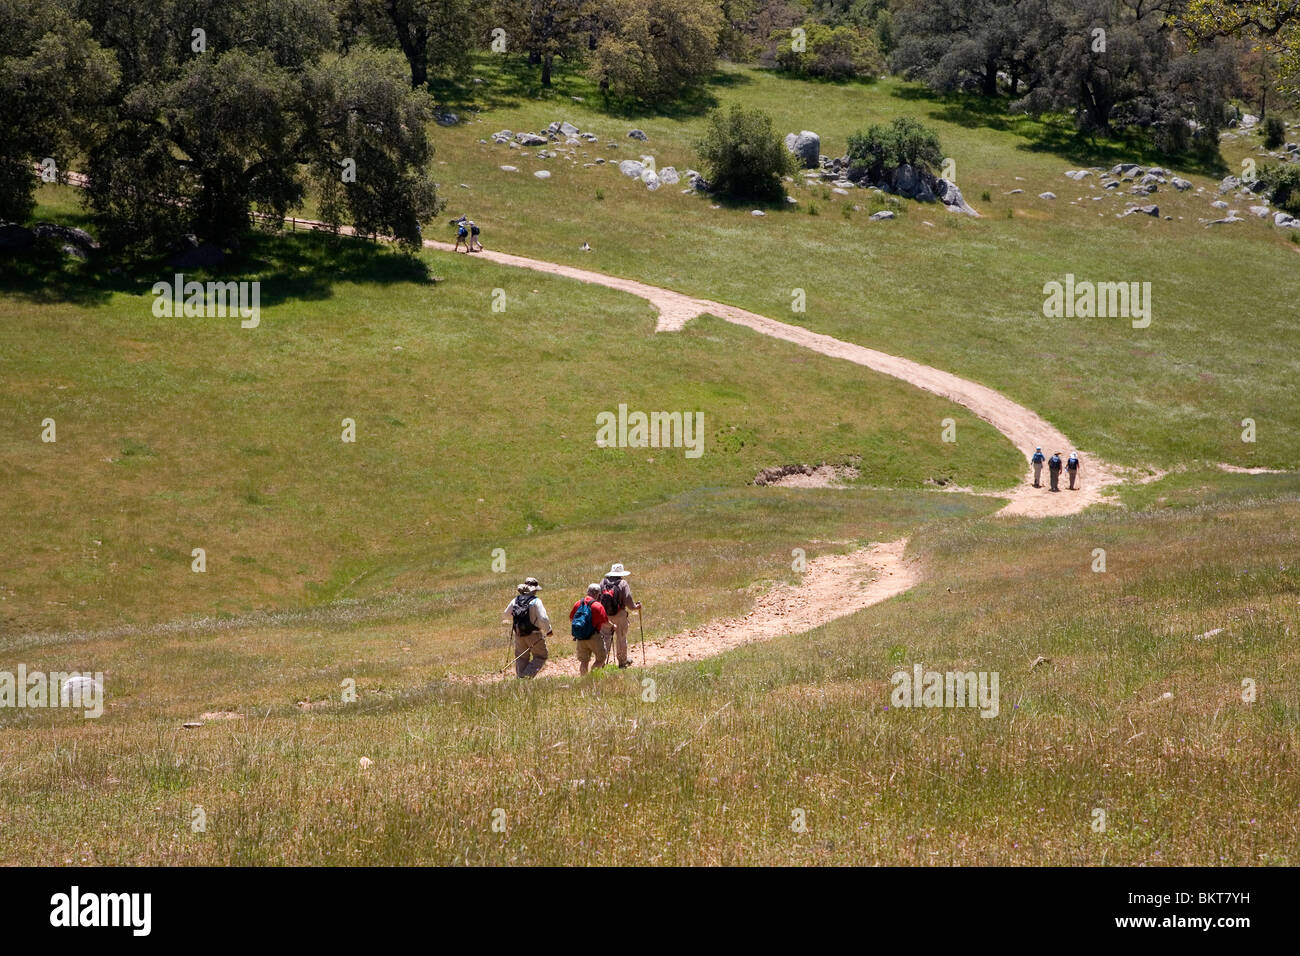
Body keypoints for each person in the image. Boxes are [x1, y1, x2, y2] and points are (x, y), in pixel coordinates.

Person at [503, 579, 552, 678]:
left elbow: (506, 613)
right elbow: (543, 618)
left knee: (521, 658)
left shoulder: (515, 600)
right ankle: (525, 677)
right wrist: (548, 630)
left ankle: (520, 680)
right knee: (541, 656)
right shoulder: (536, 601)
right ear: (534, 590)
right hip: (534, 634)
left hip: (519, 634)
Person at [598, 563, 641, 669]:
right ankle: (622, 661)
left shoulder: (603, 582)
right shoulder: (622, 583)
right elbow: (628, 600)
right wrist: (636, 607)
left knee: (605, 637)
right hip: (619, 614)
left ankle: (601, 661)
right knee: (621, 637)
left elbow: (598, 598)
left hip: (605, 615)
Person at [569, 583, 609, 675]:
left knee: (584, 661)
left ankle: (584, 679)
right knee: (601, 659)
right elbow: (605, 622)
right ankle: (592, 677)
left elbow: (571, 618)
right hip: (594, 637)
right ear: (598, 594)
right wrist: (613, 626)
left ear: (588, 592)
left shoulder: (578, 603)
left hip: (580, 637)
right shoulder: (598, 606)